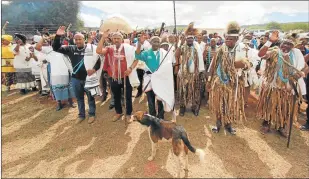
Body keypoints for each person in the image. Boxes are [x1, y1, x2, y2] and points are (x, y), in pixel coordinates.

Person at [257, 31, 307, 137]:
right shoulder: (274, 52)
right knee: (269, 104)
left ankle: (281, 126)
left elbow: (305, 67)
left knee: (284, 107)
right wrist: (269, 41)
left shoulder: (296, 55)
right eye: (284, 43)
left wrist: (301, 74)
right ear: (280, 43)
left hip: (288, 88)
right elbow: (261, 54)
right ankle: (267, 122)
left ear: (293, 46)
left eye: (289, 44)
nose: (286, 46)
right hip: (272, 85)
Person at [207, 21, 251, 135]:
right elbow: (213, 65)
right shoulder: (220, 49)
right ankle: (218, 123)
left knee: (230, 104)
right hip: (219, 82)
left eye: (231, 39)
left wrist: (242, 65)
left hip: (233, 83)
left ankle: (228, 124)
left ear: (236, 40)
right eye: (227, 38)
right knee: (218, 103)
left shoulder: (241, 49)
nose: (228, 41)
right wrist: (209, 81)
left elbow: (246, 66)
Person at [53, 26, 101, 124]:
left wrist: (94, 69)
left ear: (84, 39)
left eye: (80, 39)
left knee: (90, 98)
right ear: (74, 40)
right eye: (76, 39)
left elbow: (98, 61)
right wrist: (58, 36)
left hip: (88, 78)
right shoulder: (71, 48)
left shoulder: (90, 49)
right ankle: (81, 115)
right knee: (79, 98)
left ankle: (91, 114)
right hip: (76, 79)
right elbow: (56, 48)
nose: (78, 41)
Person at [96, 31, 140, 122]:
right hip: (114, 77)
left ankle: (128, 114)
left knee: (127, 96)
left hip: (126, 77)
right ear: (112, 39)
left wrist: (130, 68)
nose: (116, 40)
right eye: (114, 38)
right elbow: (98, 51)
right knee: (116, 96)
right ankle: (118, 112)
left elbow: (137, 58)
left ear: (122, 39)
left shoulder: (129, 48)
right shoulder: (109, 48)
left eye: (118, 38)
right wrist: (103, 38)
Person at [135, 35, 175, 119]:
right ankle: (152, 117)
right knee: (150, 100)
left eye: (158, 41)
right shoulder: (146, 53)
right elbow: (137, 55)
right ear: (150, 42)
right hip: (149, 79)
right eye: (154, 41)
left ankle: (160, 117)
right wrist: (139, 43)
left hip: (161, 80)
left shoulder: (164, 53)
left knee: (160, 98)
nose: (156, 43)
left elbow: (168, 65)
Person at [175, 22, 205, 116]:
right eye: (188, 39)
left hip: (194, 74)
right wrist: (180, 44)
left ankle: (194, 107)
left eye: (191, 38)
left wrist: (200, 72)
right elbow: (176, 55)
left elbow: (200, 60)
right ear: (186, 39)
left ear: (193, 39)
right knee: (183, 91)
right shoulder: (182, 46)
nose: (190, 40)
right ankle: (182, 108)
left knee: (194, 92)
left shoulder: (197, 47)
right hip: (183, 74)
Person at [203, 38, 218, 105]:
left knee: (215, 85)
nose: (212, 43)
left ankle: (214, 99)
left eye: (214, 41)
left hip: (216, 71)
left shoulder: (219, 49)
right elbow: (203, 59)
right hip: (208, 70)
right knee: (208, 83)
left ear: (216, 42)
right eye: (211, 41)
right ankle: (208, 99)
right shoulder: (207, 49)